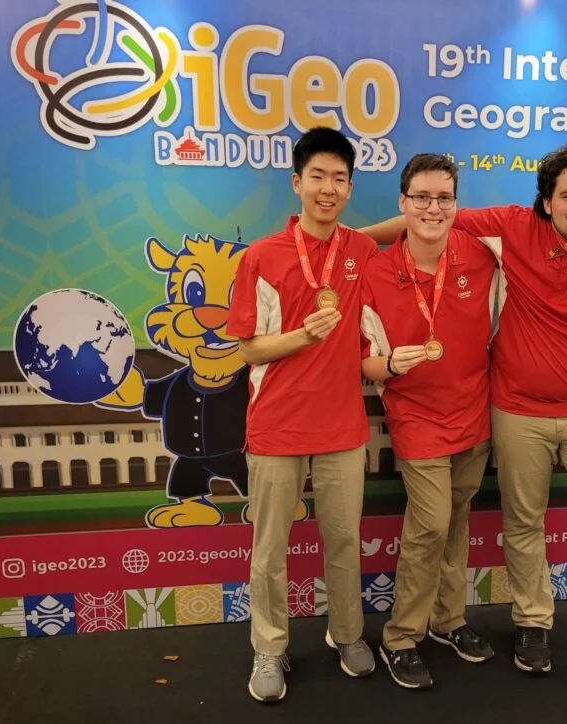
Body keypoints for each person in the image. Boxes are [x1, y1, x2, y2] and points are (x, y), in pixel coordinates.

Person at [361, 143, 567, 712]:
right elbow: (429, 217)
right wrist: (351, 243)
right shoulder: (512, 227)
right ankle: (531, 623)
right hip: (513, 410)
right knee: (521, 522)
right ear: (547, 201)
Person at [228, 127, 378, 703]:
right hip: (276, 426)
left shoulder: (360, 251)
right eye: (317, 176)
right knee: (270, 549)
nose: (328, 188)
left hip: (342, 427)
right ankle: (269, 647)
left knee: (343, 540)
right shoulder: (261, 256)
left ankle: (348, 633)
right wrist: (301, 337)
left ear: (349, 188)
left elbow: (405, 230)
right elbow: (248, 349)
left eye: (339, 179)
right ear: (297, 182)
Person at [359, 154, 498, 689]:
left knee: (457, 518)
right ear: (403, 202)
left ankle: (449, 619)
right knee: (431, 524)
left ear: (456, 204)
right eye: (421, 197)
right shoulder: (375, 272)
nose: (432, 208)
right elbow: (364, 362)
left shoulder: (481, 253)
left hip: (474, 409)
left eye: (443, 198)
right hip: (416, 414)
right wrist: (392, 364)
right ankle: (400, 636)